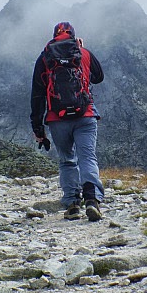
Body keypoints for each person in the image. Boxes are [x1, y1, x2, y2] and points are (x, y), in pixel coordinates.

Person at [30, 22, 105, 221]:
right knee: (87, 157)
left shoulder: (44, 58)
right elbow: (98, 77)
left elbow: (37, 95)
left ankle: (72, 204)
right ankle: (92, 200)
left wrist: (38, 128)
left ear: (54, 35)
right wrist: (81, 50)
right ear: (73, 35)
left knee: (67, 161)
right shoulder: (84, 53)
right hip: (85, 115)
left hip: (57, 118)